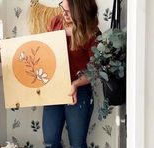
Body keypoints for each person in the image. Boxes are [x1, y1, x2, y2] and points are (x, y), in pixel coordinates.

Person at [42, 0, 101, 148]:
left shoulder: (91, 31)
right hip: (55, 88)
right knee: (50, 141)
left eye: (69, 12)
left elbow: (96, 68)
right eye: (63, 8)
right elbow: (45, 51)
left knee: (77, 144)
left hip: (79, 89)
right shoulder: (55, 22)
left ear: (80, 11)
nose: (64, 14)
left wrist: (75, 84)